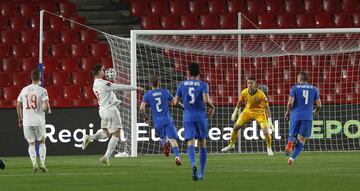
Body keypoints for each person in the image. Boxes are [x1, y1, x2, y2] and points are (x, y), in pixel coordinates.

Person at [82, 64, 143, 165]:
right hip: (111, 110)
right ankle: (106, 157)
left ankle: (90, 137)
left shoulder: (95, 84)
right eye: (102, 70)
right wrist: (136, 88)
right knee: (116, 134)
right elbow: (120, 87)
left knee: (107, 134)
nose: (104, 72)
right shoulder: (104, 84)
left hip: (102, 110)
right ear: (98, 72)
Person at [174, 62, 216, 181]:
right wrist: (213, 107)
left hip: (188, 116)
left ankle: (193, 165)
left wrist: (185, 108)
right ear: (199, 72)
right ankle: (201, 174)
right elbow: (206, 101)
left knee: (190, 142)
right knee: (202, 142)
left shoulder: (182, 84)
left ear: (188, 72)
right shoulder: (203, 84)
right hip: (200, 116)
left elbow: (175, 102)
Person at [221, 77, 274, 156]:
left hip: (259, 113)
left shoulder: (261, 94)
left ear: (255, 84)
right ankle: (231, 145)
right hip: (247, 112)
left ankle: (269, 148)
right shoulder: (244, 92)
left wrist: (270, 122)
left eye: (251, 83)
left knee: (266, 132)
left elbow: (267, 108)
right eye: (248, 83)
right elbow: (240, 102)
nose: (249, 84)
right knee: (235, 128)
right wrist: (235, 112)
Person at [140, 76, 183, 166]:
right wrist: (184, 108)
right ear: (159, 83)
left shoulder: (147, 94)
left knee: (162, 137)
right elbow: (175, 103)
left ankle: (164, 143)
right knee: (172, 139)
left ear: (150, 84)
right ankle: (177, 157)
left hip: (157, 122)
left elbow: (141, 108)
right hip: (167, 120)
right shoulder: (165, 92)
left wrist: (145, 117)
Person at [16, 69, 51, 173]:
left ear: (31, 78)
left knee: (31, 144)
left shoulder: (24, 90)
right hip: (39, 121)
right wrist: (47, 109)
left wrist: (20, 118)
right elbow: (46, 106)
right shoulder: (42, 90)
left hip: (27, 122)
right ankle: (43, 164)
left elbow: (18, 104)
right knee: (42, 142)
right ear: (40, 78)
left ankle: (34, 163)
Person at [284, 72, 322, 165]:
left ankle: (290, 144)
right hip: (307, 116)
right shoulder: (314, 88)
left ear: (300, 79)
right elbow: (319, 105)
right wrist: (316, 111)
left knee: (292, 135)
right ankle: (291, 159)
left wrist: (287, 112)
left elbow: (290, 103)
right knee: (302, 140)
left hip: (295, 115)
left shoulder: (295, 88)